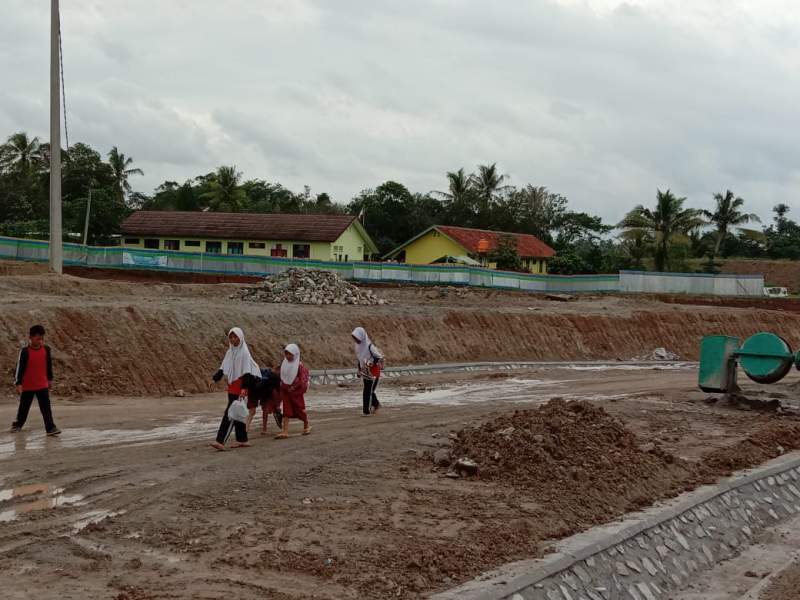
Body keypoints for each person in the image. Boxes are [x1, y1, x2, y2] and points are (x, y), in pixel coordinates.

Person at [210, 327, 260, 451]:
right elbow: (223, 368)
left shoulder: (244, 352)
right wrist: (215, 379)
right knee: (238, 412)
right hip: (232, 385)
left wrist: (244, 388)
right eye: (231, 337)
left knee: (230, 413)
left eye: (235, 336)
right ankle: (242, 440)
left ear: (240, 337)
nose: (233, 339)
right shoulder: (230, 352)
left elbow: (247, 372)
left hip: (241, 385)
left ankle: (220, 441)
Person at [10, 325, 61, 436]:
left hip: (42, 384)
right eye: (38, 339)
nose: (40, 341)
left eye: (42, 338)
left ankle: (50, 428)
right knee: (24, 407)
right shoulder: (24, 351)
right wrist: (18, 383)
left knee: (46, 408)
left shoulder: (46, 349)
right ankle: (17, 425)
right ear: (31, 337)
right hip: (28, 386)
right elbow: (19, 368)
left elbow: (48, 366)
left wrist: (50, 379)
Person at [275, 344, 311, 439]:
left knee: (299, 410)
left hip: (295, 393)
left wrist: (294, 387)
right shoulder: (284, 364)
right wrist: (283, 386)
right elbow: (282, 376)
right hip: (286, 391)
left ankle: (306, 424)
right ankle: (285, 431)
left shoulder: (299, 366)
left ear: (295, 354)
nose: (288, 356)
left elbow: (302, 379)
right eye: (286, 354)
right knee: (286, 410)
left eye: (290, 354)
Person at [240, 367, 283, 436]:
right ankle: (264, 430)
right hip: (263, 392)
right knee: (265, 410)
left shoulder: (261, 371)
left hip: (253, 389)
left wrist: (243, 389)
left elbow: (247, 378)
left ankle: (245, 430)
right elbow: (278, 393)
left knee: (252, 412)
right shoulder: (277, 378)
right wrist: (277, 407)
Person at [352, 327, 384, 416]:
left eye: (357, 338)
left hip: (373, 371)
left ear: (362, 336)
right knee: (368, 390)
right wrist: (359, 369)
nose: (356, 340)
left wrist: (370, 364)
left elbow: (378, 357)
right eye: (354, 338)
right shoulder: (357, 346)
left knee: (368, 390)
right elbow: (359, 359)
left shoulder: (370, 346)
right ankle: (375, 405)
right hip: (365, 371)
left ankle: (367, 411)